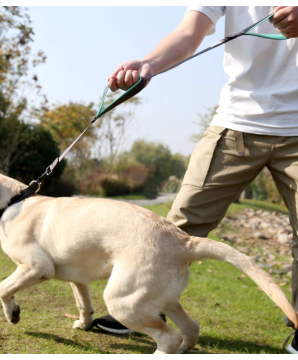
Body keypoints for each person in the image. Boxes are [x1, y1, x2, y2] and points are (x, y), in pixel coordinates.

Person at [91, 6, 298, 354]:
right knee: (174, 229)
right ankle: (143, 308)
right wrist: (150, 64)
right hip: (236, 124)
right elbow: (189, 32)